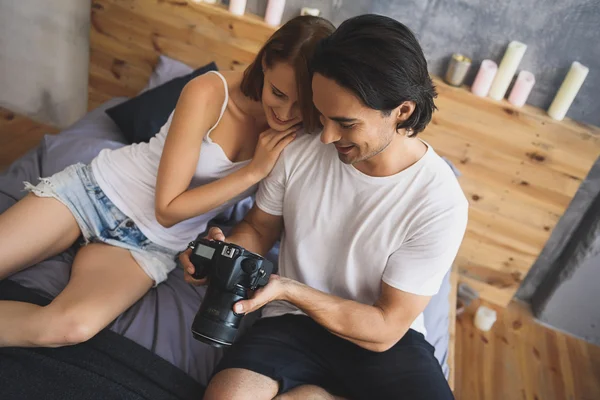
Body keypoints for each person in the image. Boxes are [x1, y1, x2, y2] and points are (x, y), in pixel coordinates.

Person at [0, 16, 334, 348]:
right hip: (96, 192)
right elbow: (167, 208)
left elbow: (261, 221)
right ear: (264, 63)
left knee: (69, 328)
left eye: (301, 105)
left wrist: (220, 238)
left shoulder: (304, 136)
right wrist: (252, 172)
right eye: (278, 93)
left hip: (152, 246)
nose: (286, 114)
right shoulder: (208, 92)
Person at [181, 14, 468, 400]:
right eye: (321, 113)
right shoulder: (299, 148)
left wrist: (291, 289)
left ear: (402, 111)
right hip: (291, 326)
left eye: (346, 123)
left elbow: (385, 326)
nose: (326, 135)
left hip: (378, 340)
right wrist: (227, 259)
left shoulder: (440, 202)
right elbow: (261, 229)